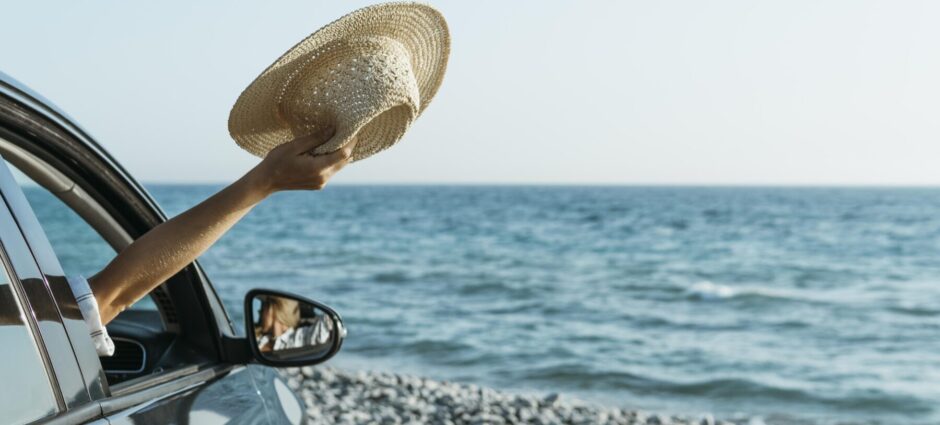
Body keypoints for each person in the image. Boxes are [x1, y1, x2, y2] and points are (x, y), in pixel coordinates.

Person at [67, 133, 356, 356]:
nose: (263, 316)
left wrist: (267, 179)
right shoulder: (42, 322)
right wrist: (266, 181)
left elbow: (106, 298)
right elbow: (108, 298)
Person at [254, 295, 333, 353]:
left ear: (274, 311)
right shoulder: (262, 338)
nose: (259, 311)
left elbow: (323, 328)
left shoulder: (296, 338)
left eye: (263, 307)